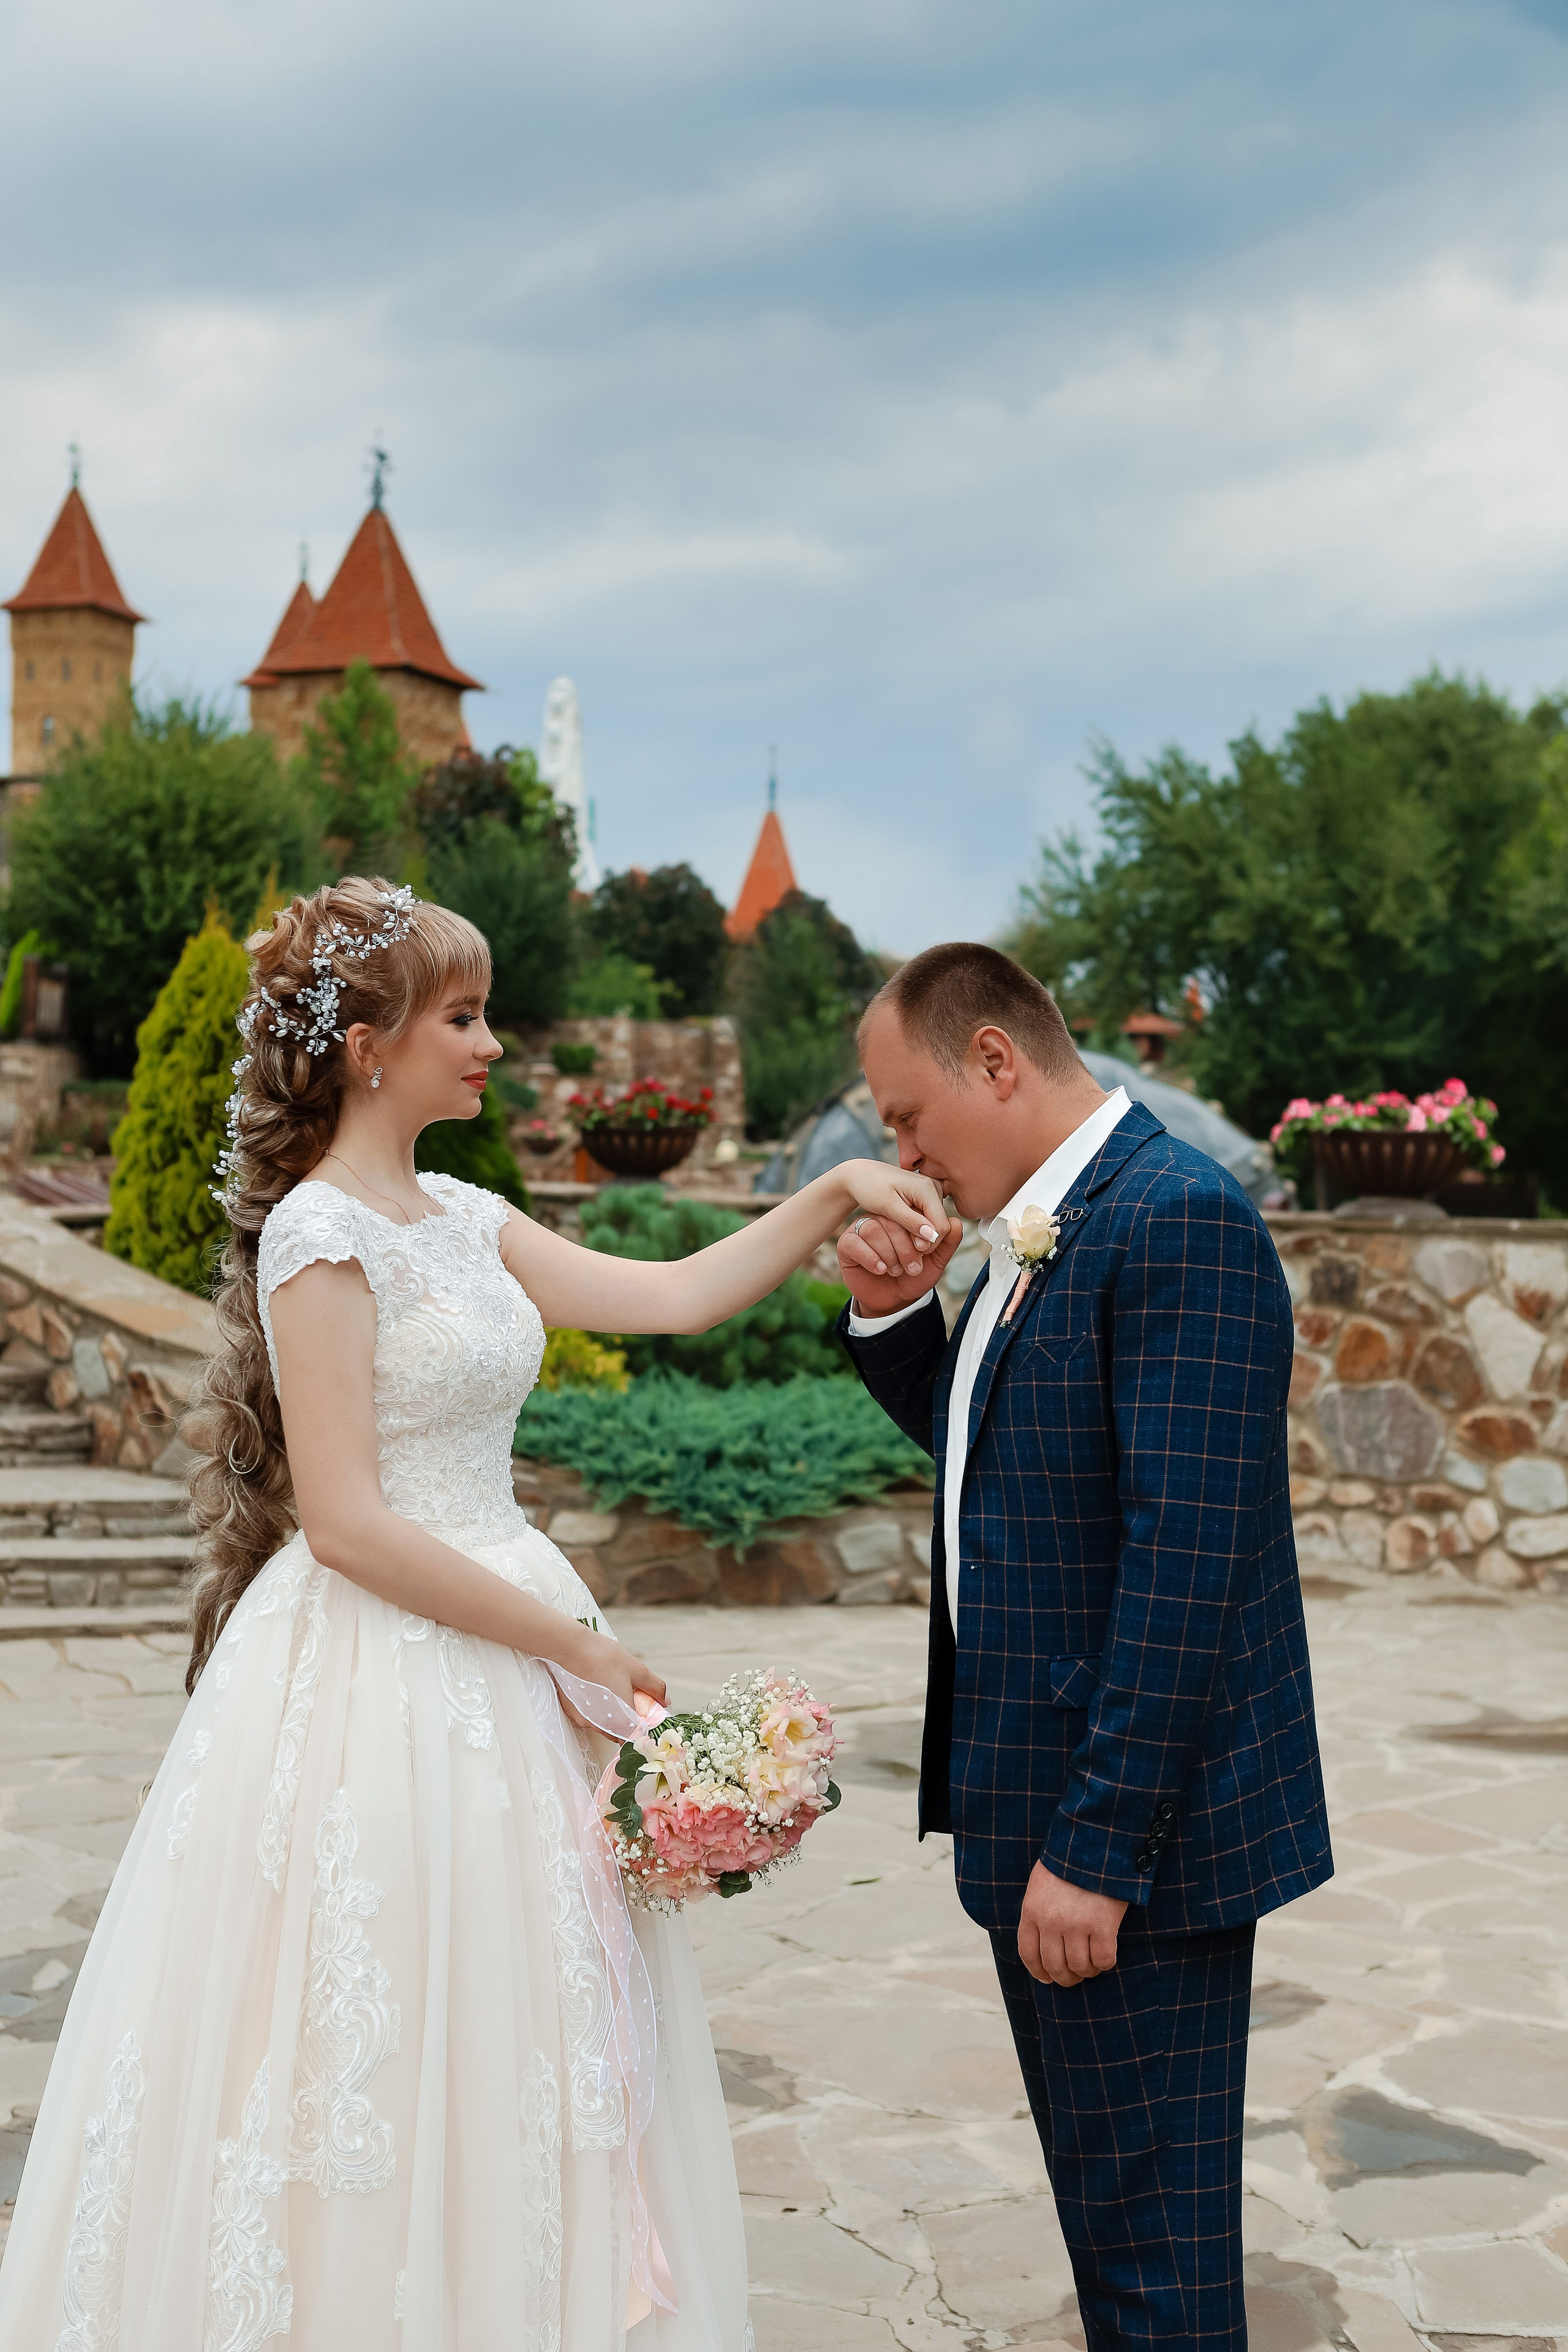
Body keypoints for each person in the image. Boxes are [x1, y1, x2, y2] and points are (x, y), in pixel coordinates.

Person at [0, 878, 949, 2352]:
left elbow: (675, 1296)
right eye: (463, 1017)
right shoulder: (319, 1235)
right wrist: (569, 1644)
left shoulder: (468, 1217)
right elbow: (345, 1523)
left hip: (505, 1648)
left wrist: (831, 1198)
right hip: (379, 1668)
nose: (492, 1044)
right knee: (370, 2007)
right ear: (368, 1046)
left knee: (527, 2009)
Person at [835, 942, 1332, 2352]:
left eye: (908, 1116)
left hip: (1130, 1858)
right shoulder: (1048, 1224)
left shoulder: (1175, 1222)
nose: (902, 1155)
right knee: (1117, 2248)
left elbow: (1186, 1567)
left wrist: (1098, 1851)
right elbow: (1006, 1469)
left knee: (1155, 2279)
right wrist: (893, 1316)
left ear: (994, 1060)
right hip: (1047, 1819)